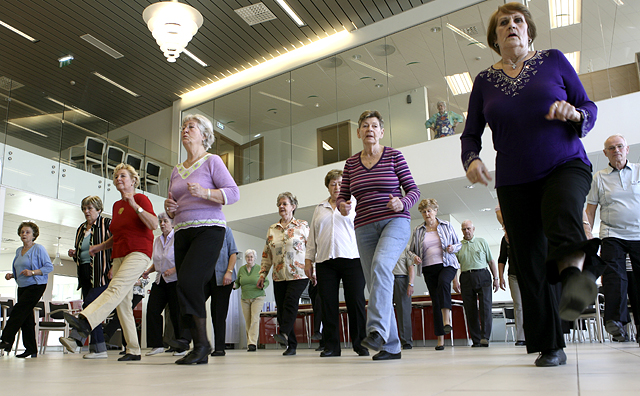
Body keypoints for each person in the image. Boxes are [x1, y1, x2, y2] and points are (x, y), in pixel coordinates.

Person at [460, 2, 600, 366]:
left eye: (518, 21)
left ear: (529, 30)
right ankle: (550, 345)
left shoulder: (553, 60)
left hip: (564, 163)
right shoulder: (484, 82)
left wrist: (576, 113)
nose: (511, 26)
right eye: (503, 23)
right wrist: (471, 159)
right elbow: (470, 134)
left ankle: (574, 277)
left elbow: (587, 105)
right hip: (514, 179)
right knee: (530, 261)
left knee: (562, 211)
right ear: (494, 38)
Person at [337, 110, 420, 360]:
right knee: (375, 284)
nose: (369, 129)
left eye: (374, 125)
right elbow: (343, 195)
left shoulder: (394, 155)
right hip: (363, 226)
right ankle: (392, 346)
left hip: (395, 221)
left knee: (381, 266)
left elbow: (413, 190)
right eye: (365, 126)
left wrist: (402, 203)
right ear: (359, 132)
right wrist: (342, 205)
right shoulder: (351, 163)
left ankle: (374, 330)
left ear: (381, 132)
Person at [164, 114, 239, 365]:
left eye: (191, 127)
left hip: (209, 229)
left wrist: (206, 192)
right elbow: (173, 204)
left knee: (189, 280)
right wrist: (169, 208)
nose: (185, 130)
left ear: (204, 135)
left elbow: (233, 193)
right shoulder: (176, 170)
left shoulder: (212, 161)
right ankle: (199, 346)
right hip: (182, 230)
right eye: (183, 127)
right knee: (183, 284)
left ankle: (199, 343)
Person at [64, 163, 158, 362]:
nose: (118, 179)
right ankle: (133, 349)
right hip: (119, 256)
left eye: (122, 175)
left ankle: (83, 325)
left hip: (139, 253)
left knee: (114, 289)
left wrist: (135, 205)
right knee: (122, 304)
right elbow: (117, 235)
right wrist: (97, 248)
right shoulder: (116, 206)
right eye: (115, 177)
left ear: (133, 180)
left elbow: (153, 224)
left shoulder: (141, 199)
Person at [305, 169, 368, 358]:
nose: (337, 187)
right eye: (333, 184)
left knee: (355, 302)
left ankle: (360, 344)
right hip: (325, 262)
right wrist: (309, 260)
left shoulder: (354, 204)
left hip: (352, 259)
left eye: (340, 183)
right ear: (328, 186)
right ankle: (332, 346)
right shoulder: (320, 208)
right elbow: (312, 237)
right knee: (327, 304)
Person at [585, 134, 640, 342]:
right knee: (613, 276)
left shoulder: (638, 170)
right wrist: (588, 235)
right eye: (611, 148)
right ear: (605, 153)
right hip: (611, 234)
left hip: (638, 233)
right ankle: (615, 322)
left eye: (619, 146)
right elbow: (590, 210)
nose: (616, 150)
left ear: (627, 149)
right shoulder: (599, 177)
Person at [60, 195, 112, 358]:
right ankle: (98, 348)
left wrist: (114, 267)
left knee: (90, 306)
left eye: (89, 208)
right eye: (84, 208)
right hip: (85, 275)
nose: (86, 211)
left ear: (99, 209)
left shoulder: (107, 224)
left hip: (102, 273)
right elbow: (83, 252)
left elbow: (118, 244)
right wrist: (75, 254)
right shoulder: (81, 228)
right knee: (92, 309)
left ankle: (75, 339)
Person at [258, 192, 309, 356]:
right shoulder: (272, 229)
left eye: (285, 203)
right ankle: (291, 345)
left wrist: (313, 270)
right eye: (279, 203)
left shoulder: (302, 226)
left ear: (293, 207)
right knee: (281, 310)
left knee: (290, 303)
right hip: (279, 275)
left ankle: (284, 333)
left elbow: (312, 249)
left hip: (299, 273)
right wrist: (262, 274)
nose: (281, 206)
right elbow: (267, 254)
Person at [409, 198, 461, 350]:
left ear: (435, 211)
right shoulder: (418, 230)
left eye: (429, 211)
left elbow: (458, 244)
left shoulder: (446, 225)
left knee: (444, 283)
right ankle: (440, 340)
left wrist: (452, 248)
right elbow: (410, 250)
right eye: (424, 212)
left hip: (446, 264)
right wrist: (415, 257)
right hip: (428, 268)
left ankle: (447, 321)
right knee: (436, 300)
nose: (427, 214)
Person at [0, 222, 53, 358]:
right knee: (26, 317)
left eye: (27, 232)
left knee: (18, 311)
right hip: (22, 286)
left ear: (34, 235)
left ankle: (6, 340)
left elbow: (49, 267)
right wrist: (13, 275)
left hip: (36, 285)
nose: (24, 234)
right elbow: (19, 268)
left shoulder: (38, 249)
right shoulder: (19, 250)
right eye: (22, 232)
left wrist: (33, 272)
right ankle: (31, 349)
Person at [142, 213, 182, 356]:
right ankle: (156, 344)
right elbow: (158, 261)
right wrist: (148, 270)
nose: (162, 224)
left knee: (176, 314)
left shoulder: (178, 237)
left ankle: (181, 346)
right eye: (161, 221)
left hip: (174, 280)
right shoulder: (158, 240)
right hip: (160, 280)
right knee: (152, 310)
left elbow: (184, 258)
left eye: (165, 221)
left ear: (172, 223)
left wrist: (174, 269)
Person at [456, 220, 499, 347]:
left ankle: (485, 337)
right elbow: (454, 265)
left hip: (483, 275)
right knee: (470, 309)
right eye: (464, 229)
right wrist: (454, 281)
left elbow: (491, 261)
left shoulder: (482, 242)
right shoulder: (458, 245)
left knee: (485, 307)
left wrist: (496, 278)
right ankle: (476, 340)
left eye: (468, 228)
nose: (466, 231)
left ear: (473, 229)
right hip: (466, 277)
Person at [208, 226, 239, 357]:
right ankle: (192, 341)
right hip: (206, 276)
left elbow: (233, 253)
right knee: (193, 304)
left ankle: (219, 348)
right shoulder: (202, 231)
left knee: (218, 314)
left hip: (223, 277)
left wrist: (229, 272)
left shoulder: (226, 230)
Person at [235, 249, 268, 352]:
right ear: (245, 258)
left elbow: (266, 281)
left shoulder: (259, 268)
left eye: (251, 257)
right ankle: (250, 342)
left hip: (258, 296)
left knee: (254, 319)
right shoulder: (241, 269)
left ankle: (252, 343)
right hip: (245, 298)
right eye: (248, 257)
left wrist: (262, 286)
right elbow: (237, 282)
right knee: (248, 321)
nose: (249, 259)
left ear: (254, 258)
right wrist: (232, 286)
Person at [497, 233, 525, 346]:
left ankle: (534, 334)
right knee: (518, 305)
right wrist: (501, 277)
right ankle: (521, 338)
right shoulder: (505, 239)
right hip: (513, 276)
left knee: (530, 304)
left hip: (528, 274)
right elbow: (502, 259)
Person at [392, 247, 415, 350]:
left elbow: (411, 268)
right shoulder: (384, 247)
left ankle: (406, 341)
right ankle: (387, 340)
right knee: (385, 311)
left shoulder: (406, 249)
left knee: (404, 312)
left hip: (401, 279)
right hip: (387, 279)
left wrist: (411, 284)